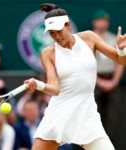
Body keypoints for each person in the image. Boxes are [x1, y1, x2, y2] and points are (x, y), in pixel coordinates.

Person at [24, 3, 126, 150]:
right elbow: (54, 88)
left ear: (68, 25)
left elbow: (121, 60)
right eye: (52, 33)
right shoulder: (48, 53)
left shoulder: (89, 38)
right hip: (59, 114)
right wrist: (38, 84)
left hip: (87, 113)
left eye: (59, 31)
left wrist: (122, 50)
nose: (56, 36)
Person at [92, 10, 124, 143]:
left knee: (112, 117)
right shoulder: (89, 38)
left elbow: (120, 62)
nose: (102, 23)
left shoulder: (113, 39)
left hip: (111, 80)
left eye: (105, 20)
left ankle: (110, 145)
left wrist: (114, 81)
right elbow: (86, 63)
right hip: (93, 80)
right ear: (94, 22)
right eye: (99, 20)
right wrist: (98, 81)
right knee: (93, 114)